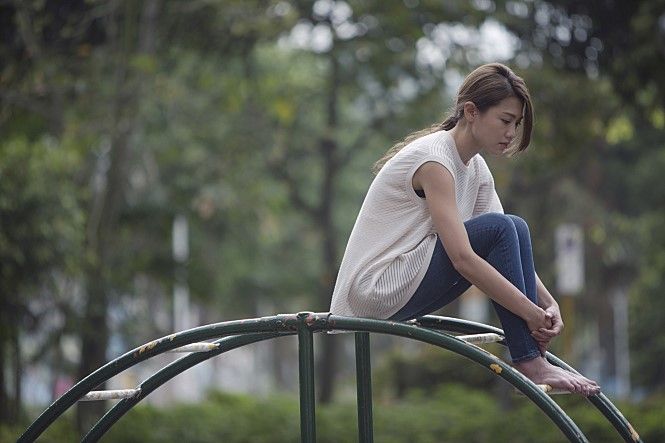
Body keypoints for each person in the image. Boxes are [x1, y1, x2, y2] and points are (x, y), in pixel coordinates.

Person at [329, 63, 600, 396]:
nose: (511, 133)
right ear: (471, 112)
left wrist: (547, 304)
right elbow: (462, 258)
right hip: (378, 287)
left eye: (516, 124)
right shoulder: (435, 161)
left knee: (514, 226)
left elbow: (508, 246)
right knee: (501, 228)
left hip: (409, 280)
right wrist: (529, 312)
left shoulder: (476, 169)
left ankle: (532, 357)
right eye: (505, 120)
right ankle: (530, 361)